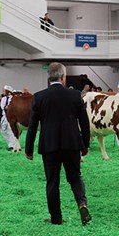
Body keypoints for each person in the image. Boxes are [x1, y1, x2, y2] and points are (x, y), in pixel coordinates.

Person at [24, 62, 92, 226]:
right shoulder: (75, 95)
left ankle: (56, 218)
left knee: (52, 181)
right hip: (72, 144)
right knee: (75, 177)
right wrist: (85, 144)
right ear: (63, 76)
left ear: (49, 77)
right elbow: (84, 122)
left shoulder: (39, 97)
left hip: (49, 146)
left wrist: (29, 149)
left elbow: (32, 125)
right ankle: (82, 204)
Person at [0, 85, 16, 151]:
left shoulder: (13, 98)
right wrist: (5, 107)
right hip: (4, 116)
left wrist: (9, 108)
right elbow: (2, 106)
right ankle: (10, 142)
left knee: (10, 130)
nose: (3, 92)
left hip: (11, 116)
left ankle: (12, 145)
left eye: (4, 90)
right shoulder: (3, 98)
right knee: (3, 130)